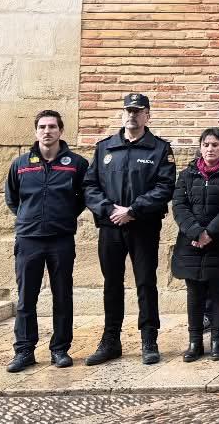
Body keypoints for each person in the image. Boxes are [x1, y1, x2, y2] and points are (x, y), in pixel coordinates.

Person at [84, 92, 176, 366]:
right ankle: (110, 340)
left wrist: (133, 210)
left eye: (138, 111)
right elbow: (90, 186)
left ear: (148, 115)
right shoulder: (105, 148)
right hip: (110, 226)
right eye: (128, 111)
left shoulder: (159, 149)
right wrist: (110, 210)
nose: (132, 115)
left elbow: (164, 187)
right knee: (112, 284)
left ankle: (149, 340)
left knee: (146, 283)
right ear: (122, 114)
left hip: (143, 227)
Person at [4, 109, 88, 372]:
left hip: (61, 239)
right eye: (42, 127)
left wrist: (61, 217)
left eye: (52, 127)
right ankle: (24, 351)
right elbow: (12, 198)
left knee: (62, 295)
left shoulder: (76, 164)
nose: (47, 131)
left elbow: (83, 198)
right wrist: (30, 219)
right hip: (28, 239)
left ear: (61, 131)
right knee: (25, 297)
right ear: (36, 131)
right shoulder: (20, 164)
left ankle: (60, 349)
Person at [171, 128, 219, 362]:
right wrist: (196, 231)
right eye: (206, 145)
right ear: (200, 147)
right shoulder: (187, 174)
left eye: (215, 145)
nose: (210, 149)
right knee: (194, 293)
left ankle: (217, 341)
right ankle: (195, 342)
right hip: (191, 242)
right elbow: (179, 205)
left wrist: (210, 232)